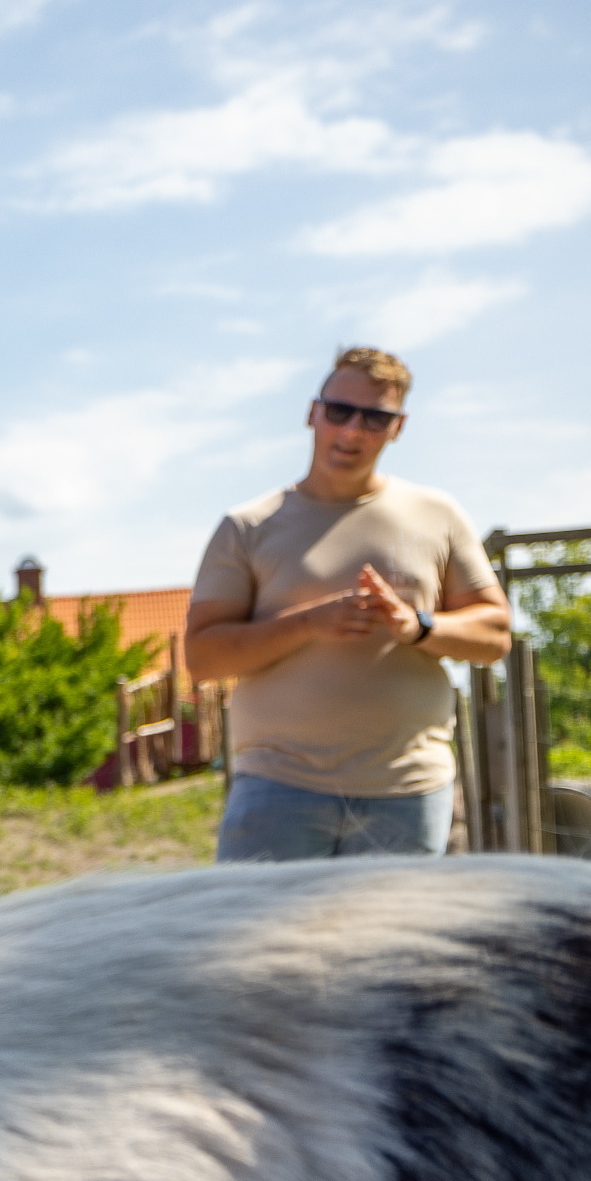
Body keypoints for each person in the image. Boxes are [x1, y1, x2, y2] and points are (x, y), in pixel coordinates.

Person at [186, 346, 510, 861]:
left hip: (408, 791)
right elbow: (203, 658)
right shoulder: (246, 527)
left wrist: (420, 627)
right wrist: (311, 622)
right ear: (313, 412)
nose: (354, 430)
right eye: (340, 411)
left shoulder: (439, 514)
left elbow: (495, 634)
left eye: (376, 418)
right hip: (278, 788)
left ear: (398, 427)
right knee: (266, 946)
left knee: (396, 945)